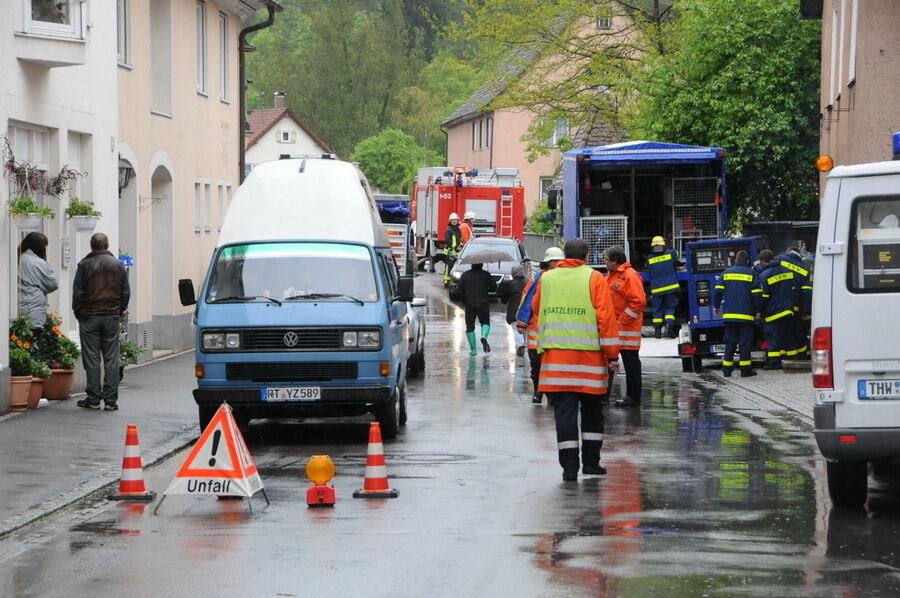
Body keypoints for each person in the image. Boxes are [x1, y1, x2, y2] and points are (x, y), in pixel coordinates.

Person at [531, 238, 619, 481]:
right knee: (592, 414)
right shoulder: (595, 279)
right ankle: (591, 464)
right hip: (589, 362)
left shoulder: (546, 278)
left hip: (556, 363)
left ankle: (569, 469)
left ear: (563, 256)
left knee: (565, 416)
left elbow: (537, 308)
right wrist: (612, 356)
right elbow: (606, 319)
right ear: (586, 256)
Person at [74, 233, 131, 411]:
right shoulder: (118, 265)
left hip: (89, 316)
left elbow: (78, 293)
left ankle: (93, 397)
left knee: (91, 358)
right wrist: (119, 310)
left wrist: (78, 312)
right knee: (111, 358)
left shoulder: (84, 265)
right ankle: (110, 400)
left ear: (92, 246)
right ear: (107, 245)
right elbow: (126, 292)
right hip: (111, 316)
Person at [517, 247, 564, 404]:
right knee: (536, 363)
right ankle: (538, 391)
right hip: (536, 328)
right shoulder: (538, 279)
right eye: (555, 262)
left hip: (556, 328)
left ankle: (550, 394)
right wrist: (522, 322)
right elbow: (528, 299)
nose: (558, 264)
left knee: (552, 365)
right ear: (548, 263)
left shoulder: (564, 278)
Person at [603, 245, 647, 407]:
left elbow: (639, 302)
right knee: (608, 362)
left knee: (631, 365)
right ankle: (603, 396)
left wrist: (622, 321)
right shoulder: (612, 275)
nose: (604, 262)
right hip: (614, 330)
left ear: (614, 261)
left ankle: (633, 397)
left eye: (606, 259)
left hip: (627, 332)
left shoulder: (629, 276)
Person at [713, 250, 761, 378]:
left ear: (735, 260)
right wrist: (757, 310)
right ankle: (745, 370)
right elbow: (756, 294)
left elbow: (718, 291)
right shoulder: (752, 273)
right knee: (745, 343)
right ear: (747, 261)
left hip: (730, 315)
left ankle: (727, 370)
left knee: (730, 342)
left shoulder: (726, 273)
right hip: (746, 315)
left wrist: (716, 306)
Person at [757, 249, 794, 371]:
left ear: (763, 261)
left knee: (773, 337)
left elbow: (764, 297)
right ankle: (792, 359)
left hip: (773, 313)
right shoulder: (788, 271)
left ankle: (774, 362)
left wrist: (760, 311)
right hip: (788, 310)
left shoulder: (765, 275)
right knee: (787, 336)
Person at [18, 232, 58, 339]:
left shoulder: (18, 258)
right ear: (40, 246)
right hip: (33, 312)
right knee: (34, 349)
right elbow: (53, 284)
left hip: (18, 308)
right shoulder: (38, 263)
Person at [777, 247, 812, 359]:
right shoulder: (804, 269)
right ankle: (801, 355)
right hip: (795, 307)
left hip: (777, 305)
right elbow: (807, 292)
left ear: (788, 251)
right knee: (796, 332)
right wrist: (806, 311)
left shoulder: (780, 259)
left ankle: (784, 356)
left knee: (781, 332)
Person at [457, 262, 497, 355]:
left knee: (470, 327)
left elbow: (459, 290)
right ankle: (483, 336)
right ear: (482, 265)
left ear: (471, 264)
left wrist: (464, 301)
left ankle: (473, 350)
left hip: (470, 304)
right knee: (485, 322)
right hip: (483, 303)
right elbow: (494, 287)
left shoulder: (465, 275)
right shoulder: (486, 274)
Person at [647, 236, 679, 338]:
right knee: (669, 308)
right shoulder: (671, 253)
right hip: (670, 286)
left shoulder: (650, 258)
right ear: (663, 244)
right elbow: (677, 256)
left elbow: (647, 267)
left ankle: (657, 331)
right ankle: (669, 325)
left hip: (657, 289)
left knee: (657, 309)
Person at [498, 264, 528, 356]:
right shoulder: (528, 282)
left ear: (513, 272)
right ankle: (525, 344)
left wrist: (504, 301)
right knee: (526, 328)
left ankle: (520, 344)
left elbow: (504, 298)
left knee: (516, 328)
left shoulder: (510, 284)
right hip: (527, 310)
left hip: (514, 311)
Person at [442, 213, 463, 285]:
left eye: (455, 220)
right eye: (453, 220)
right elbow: (448, 241)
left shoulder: (458, 229)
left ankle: (454, 280)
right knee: (448, 267)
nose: (454, 221)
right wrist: (454, 247)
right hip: (450, 251)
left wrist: (460, 246)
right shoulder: (448, 230)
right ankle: (446, 281)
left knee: (456, 267)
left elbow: (460, 239)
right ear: (450, 221)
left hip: (457, 252)